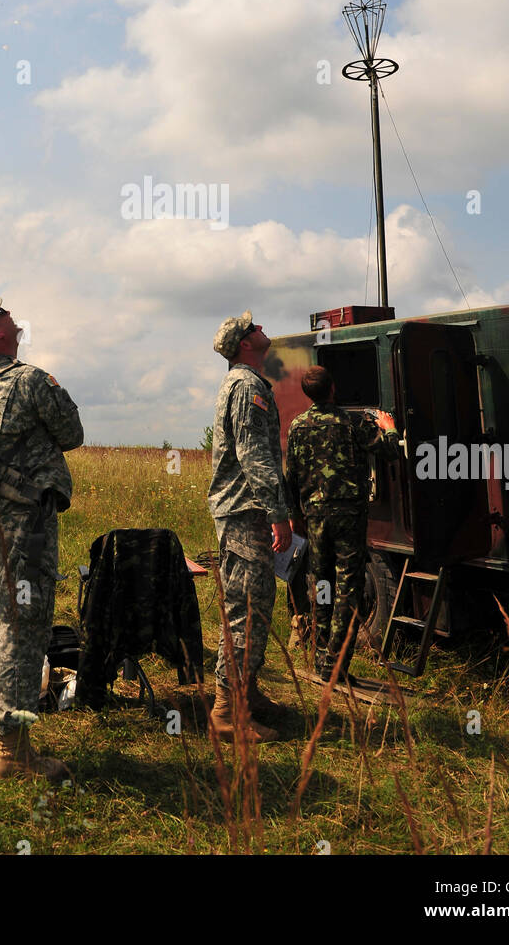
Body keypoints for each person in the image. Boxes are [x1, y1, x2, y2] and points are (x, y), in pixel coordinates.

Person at [0, 299, 83, 782]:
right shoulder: (28, 381)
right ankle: (14, 751)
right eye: (2, 313)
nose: (11, 314)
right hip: (23, 524)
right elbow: (73, 433)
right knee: (19, 625)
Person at [207, 312, 293, 742]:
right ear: (244, 343)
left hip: (245, 509)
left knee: (256, 604)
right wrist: (278, 512)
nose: (261, 327)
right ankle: (227, 712)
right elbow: (254, 455)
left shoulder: (246, 382)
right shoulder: (245, 386)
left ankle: (247, 691)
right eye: (253, 326)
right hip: (246, 511)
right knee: (248, 610)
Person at [285, 366, 397, 685]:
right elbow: (389, 451)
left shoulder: (298, 425)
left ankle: (321, 655)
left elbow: (290, 476)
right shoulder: (353, 422)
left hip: (315, 517)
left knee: (321, 581)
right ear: (333, 388)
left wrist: (295, 515)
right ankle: (335, 662)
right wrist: (388, 426)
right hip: (348, 516)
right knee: (349, 585)